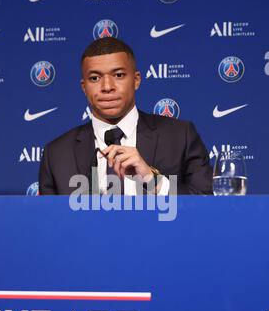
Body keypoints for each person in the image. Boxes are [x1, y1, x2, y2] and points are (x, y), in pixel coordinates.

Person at [39, 37, 213, 195]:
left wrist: (152, 180)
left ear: (136, 80)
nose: (107, 86)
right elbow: (49, 223)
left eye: (119, 75)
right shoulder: (56, 154)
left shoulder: (180, 136)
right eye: (94, 78)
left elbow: (208, 206)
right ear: (84, 87)